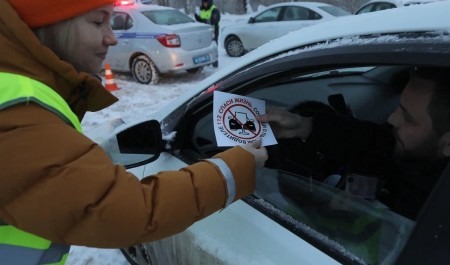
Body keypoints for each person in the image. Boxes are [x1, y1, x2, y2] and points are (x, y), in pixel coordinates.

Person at [0, 0, 267, 264]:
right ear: (51, 25)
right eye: (97, 22)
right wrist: (235, 167)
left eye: (111, 21)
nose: (112, 38)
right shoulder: (17, 110)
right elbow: (126, 210)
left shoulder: (17, 92)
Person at [258, 66, 450, 220]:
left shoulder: (433, 215)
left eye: (408, 118)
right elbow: (374, 140)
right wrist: (304, 126)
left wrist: (348, 217)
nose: (392, 118)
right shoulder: (416, 151)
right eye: (399, 107)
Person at [195, 0, 220, 67]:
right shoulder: (202, 10)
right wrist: (197, 18)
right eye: (203, 3)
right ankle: (207, 61)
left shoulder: (214, 10)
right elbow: (201, 19)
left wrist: (203, 21)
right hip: (204, 31)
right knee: (205, 47)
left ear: (209, 3)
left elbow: (214, 20)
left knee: (213, 46)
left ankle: (215, 62)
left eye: (206, 3)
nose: (205, 4)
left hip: (213, 31)